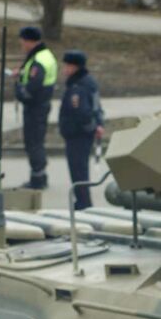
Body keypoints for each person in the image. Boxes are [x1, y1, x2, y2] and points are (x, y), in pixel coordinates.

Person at [58, 50, 105, 210]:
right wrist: (98, 124)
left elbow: (82, 112)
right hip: (83, 134)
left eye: (66, 66)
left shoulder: (78, 87)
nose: (64, 69)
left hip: (77, 134)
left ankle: (83, 203)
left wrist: (90, 127)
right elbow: (97, 107)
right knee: (80, 169)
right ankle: (83, 201)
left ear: (74, 67)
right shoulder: (89, 81)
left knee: (78, 171)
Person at [14, 25, 58, 190]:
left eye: (22, 41)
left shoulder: (38, 60)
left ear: (28, 41)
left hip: (35, 107)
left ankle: (37, 178)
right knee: (36, 141)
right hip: (41, 105)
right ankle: (40, 175)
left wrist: (18, 87)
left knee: (33, 142)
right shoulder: (44, 55)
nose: (21, 45)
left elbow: (32, 87)